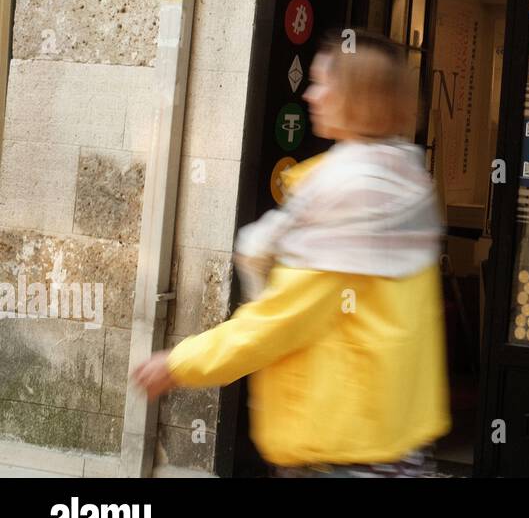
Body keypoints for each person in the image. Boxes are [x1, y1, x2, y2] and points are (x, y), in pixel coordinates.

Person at [132, 31, 451, 477]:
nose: (310, 93)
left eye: (323, 83)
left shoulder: (351, 193)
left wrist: (181, 362)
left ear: (356, 97)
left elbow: (282, 320)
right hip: (386, 441)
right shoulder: (401, 180)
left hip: (342, 451)